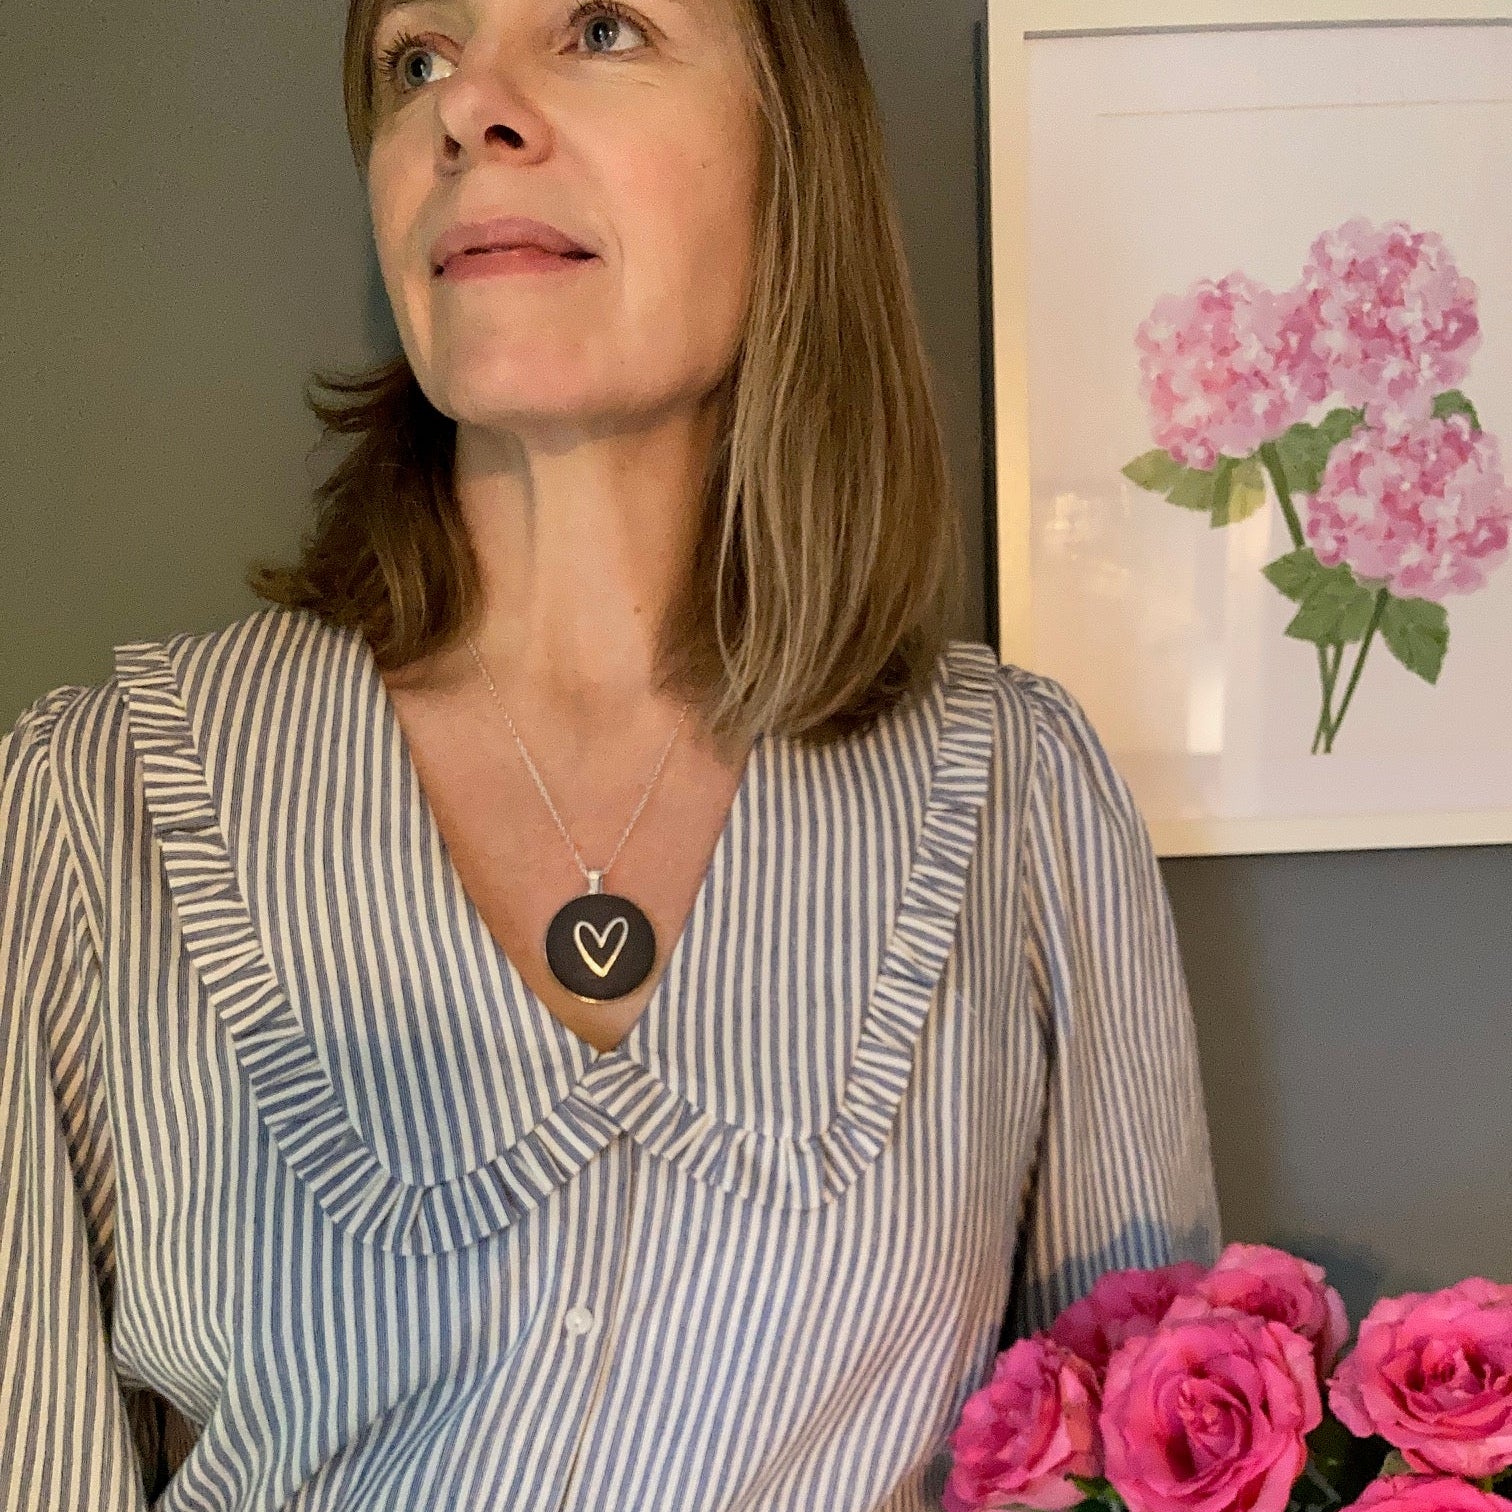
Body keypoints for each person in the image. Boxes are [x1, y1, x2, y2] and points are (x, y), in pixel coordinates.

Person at [0, 0, 1221, 1505]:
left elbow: (1156, 1459)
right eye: (416, 60)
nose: (468, 113)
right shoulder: (99, 796)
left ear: (795, 156)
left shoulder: (1019, 795)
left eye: (599, 27)